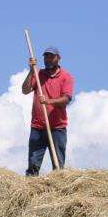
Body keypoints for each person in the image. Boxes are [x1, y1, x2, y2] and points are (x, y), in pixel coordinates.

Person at [21, 46, 74, 175]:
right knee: (33, 165)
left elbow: (66, 99)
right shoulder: (38, 74)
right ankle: (30, 191)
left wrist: (49, 101)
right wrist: (31, 71)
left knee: (58, 165)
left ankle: (58, 191)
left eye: (51, 56)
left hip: (57, 128)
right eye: (46, 56)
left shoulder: (66, 77)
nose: (48, 59)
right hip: (38, 127)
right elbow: (25, 90)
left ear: (58, 58)